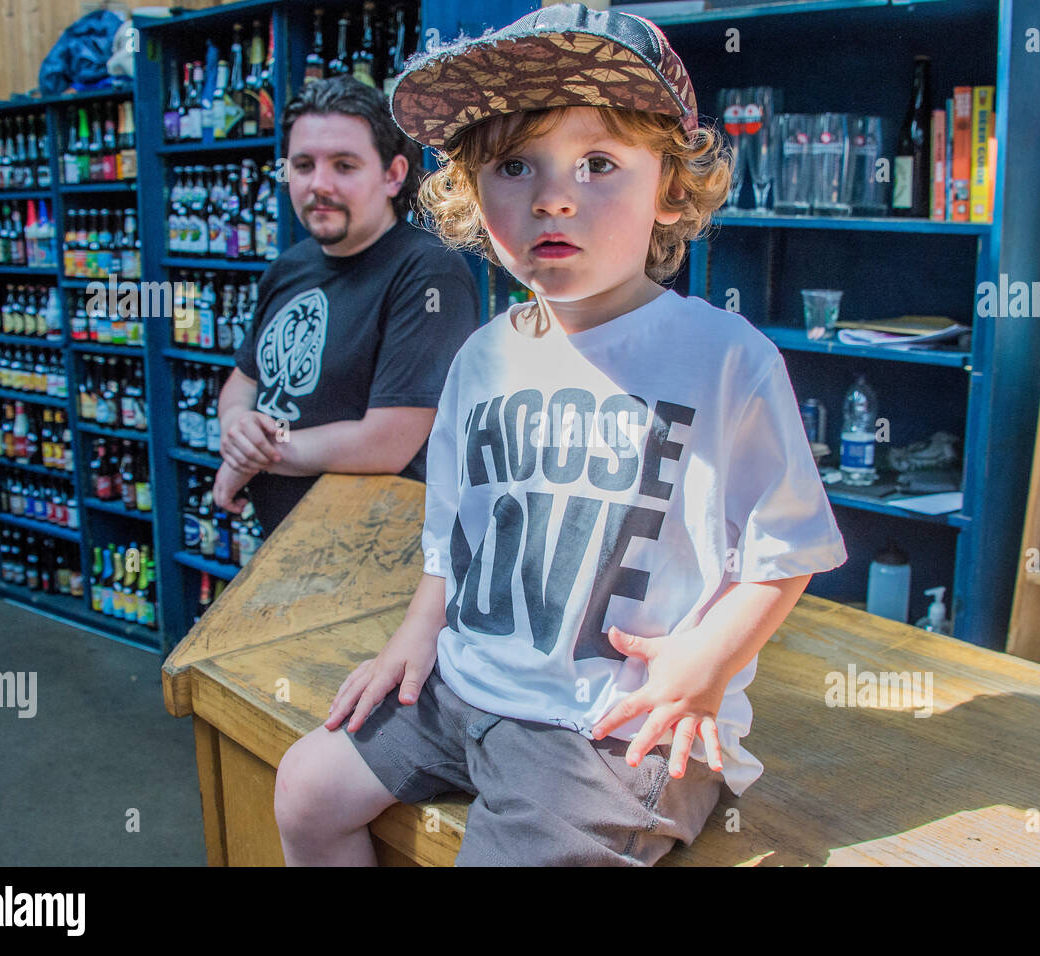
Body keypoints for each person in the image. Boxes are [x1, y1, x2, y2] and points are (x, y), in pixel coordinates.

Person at [273, 3, 847, 866]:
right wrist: (416, 632)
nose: (553, 195)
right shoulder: (481, 357)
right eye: (513, 164)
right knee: (305, 790)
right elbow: (451, 532)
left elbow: (787, 548)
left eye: (600, 162)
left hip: (615, 723)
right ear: (471, 192)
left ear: (670, 186)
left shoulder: (726, 358)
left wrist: (707, 665)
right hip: (465, 686)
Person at [213, 76, 481, 531]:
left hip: (377, 554)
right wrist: (238, 427)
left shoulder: (429, 273)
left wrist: (259, 456)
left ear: (393, 175)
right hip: (286, 544)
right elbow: (244, 380)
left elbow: (387, 441)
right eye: (302, 165)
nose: (319, 184)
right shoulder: (290, 267)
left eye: (344, 165)